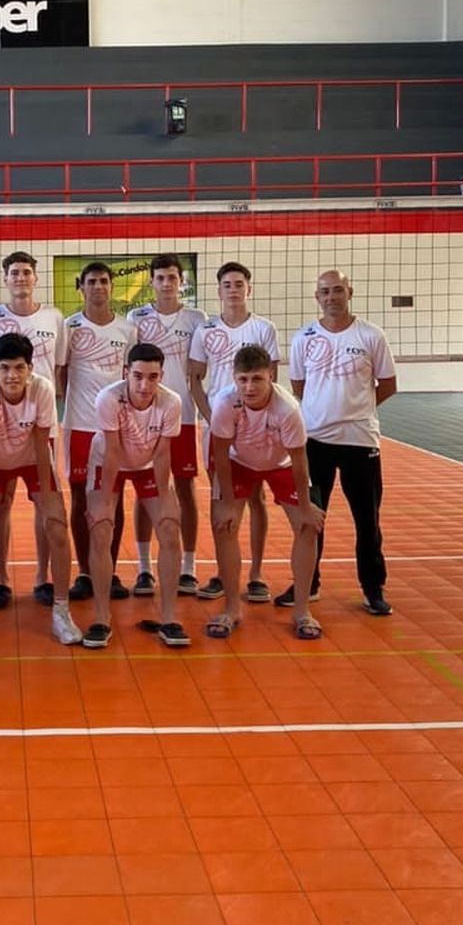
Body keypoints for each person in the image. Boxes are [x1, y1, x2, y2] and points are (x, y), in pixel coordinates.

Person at [286, 268, 397, 615]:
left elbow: (388, 384)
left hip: (359, 441)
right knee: (311, 517)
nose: (331, 297)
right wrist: (324, 411)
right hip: (315, 440)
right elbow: (298, 386)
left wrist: (356, 409)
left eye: (337, 290)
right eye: (325, 292)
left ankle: (373, 588)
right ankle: (309, 583)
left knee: (367, 520)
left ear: (350, 292)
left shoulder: (371, 335)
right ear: (317, 297)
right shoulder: (304, 337)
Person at [0, 333, 82, 648]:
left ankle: (61, 611)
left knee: (57, 525)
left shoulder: (42, 389)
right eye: (5, 368)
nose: (12, 375)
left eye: (18, 368)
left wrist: (48, 500)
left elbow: (42, 444)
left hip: (32, 460)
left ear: (30, 369)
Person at [208, 344, 324, 641]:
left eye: (257, 379)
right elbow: (220, 454)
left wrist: (306, 506)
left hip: (281, 464)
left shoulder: (287, 408)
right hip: (238, 461)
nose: (249, 387)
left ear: (270, 375)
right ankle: (232, 607)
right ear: (234, 378)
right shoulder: (225, 402)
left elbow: (300, 460)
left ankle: (302, 611)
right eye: (243, 379)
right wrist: (227, 503)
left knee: (308, 527)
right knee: (224, 524)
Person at [83, 343, 189, 650]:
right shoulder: (109, 398)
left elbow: (163, 453)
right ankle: (101, 618)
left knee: (170, 529)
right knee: (101, 530)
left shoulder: (171, 402)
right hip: (107, 462)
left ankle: (169, 618)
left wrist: (165, 498)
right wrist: (104, 502)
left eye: (152, 377)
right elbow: (113, 450)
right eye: (138, 376)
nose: (145, 385)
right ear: (125, 373)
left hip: (148, 463)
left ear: (161, 376)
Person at [0, 251, 67, 608]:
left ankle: (43, 577)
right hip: (2, 423)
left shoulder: (54, 317)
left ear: (35, 278)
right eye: (14, 273)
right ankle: (1, 579)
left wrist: (47, 408)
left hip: (40, 420)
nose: (20, 278)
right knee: (0, 504)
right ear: (5, 279)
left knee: (44, 504)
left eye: (26, 272)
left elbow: (58, 368)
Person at [188, 261, 280, 605]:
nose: (233, 290)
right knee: (221, 499)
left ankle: (255, 575)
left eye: (239, 284)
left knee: (256, 498)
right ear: (219, 290)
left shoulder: (264, 328)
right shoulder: (205, 330)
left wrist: (259, 418)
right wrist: (212, 418)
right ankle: (223, 573)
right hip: (218, 426)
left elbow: (272, 378)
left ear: (248, 288)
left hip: (255, 427)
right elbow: (195, 379)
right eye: (227, 284)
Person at [128, 253, 206, 598]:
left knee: (186, 489)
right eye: (160, 278)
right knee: (145, 490)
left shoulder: (197, 319)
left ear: (181, 281)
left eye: (172, 277)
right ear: (151, 282)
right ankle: (144, 568)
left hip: (184, 415)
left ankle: (188, 568)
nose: (166, 283)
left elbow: (199, 370)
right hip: (145, 416)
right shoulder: (137, 317)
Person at [62, 261, 132, 602]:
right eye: (91, 282)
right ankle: (86, 573)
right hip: (78, 424)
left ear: (112, 286)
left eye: (104, 281)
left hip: (113, 427)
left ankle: (110, 570)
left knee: (112, 498)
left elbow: (132, 377)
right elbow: (61, 372)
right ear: (81, 287)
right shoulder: (69, 327)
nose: (98, 287)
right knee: (79, 498)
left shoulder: (127, 329)